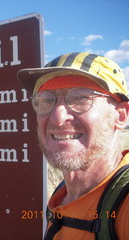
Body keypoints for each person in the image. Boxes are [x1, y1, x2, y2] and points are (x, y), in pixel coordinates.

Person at [17, 52, 129, 240]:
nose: (58, 118)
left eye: (80, 98)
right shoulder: (61, 197)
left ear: (121, 116)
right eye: (46, 100)